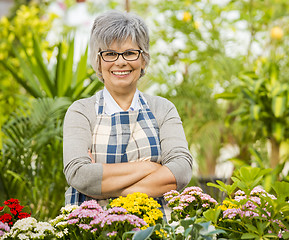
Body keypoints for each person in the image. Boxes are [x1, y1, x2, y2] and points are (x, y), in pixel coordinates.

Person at [62, 10, 193, 213]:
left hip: (155, 229)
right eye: (110, 53)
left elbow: (181, 171)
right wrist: (149, 168)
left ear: (143, 59)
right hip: (93, 230)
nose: (120, 62)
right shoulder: (81, 111)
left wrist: (104, 191)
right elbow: (79, 175)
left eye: (130, 53)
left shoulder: (163, 109)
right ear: (98, 60)